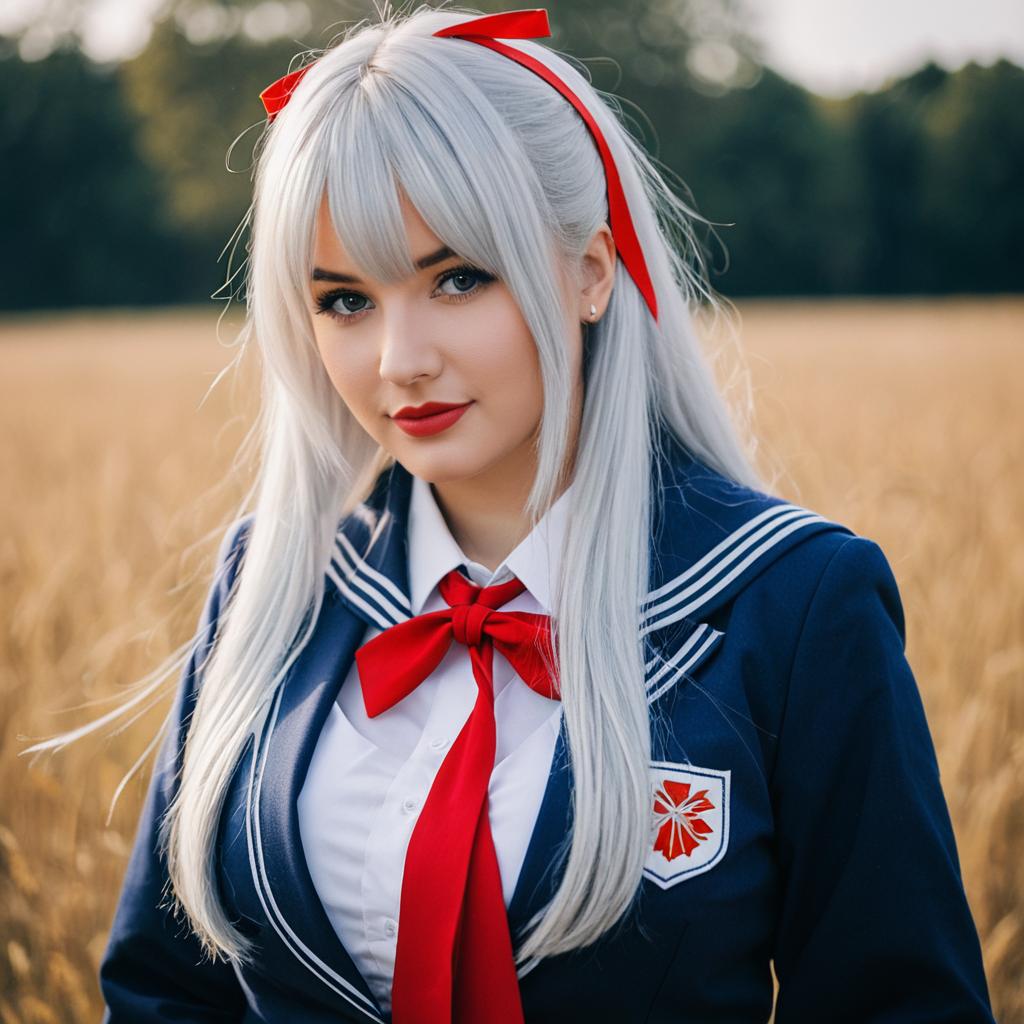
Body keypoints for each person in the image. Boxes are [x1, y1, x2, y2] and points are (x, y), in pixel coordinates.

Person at [27, 4, 996, 1021]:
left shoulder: (792, 606)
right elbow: (161, 991)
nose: (400, 361)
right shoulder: (271, 580)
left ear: (588, 271)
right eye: (345, 299)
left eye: (457, 277)